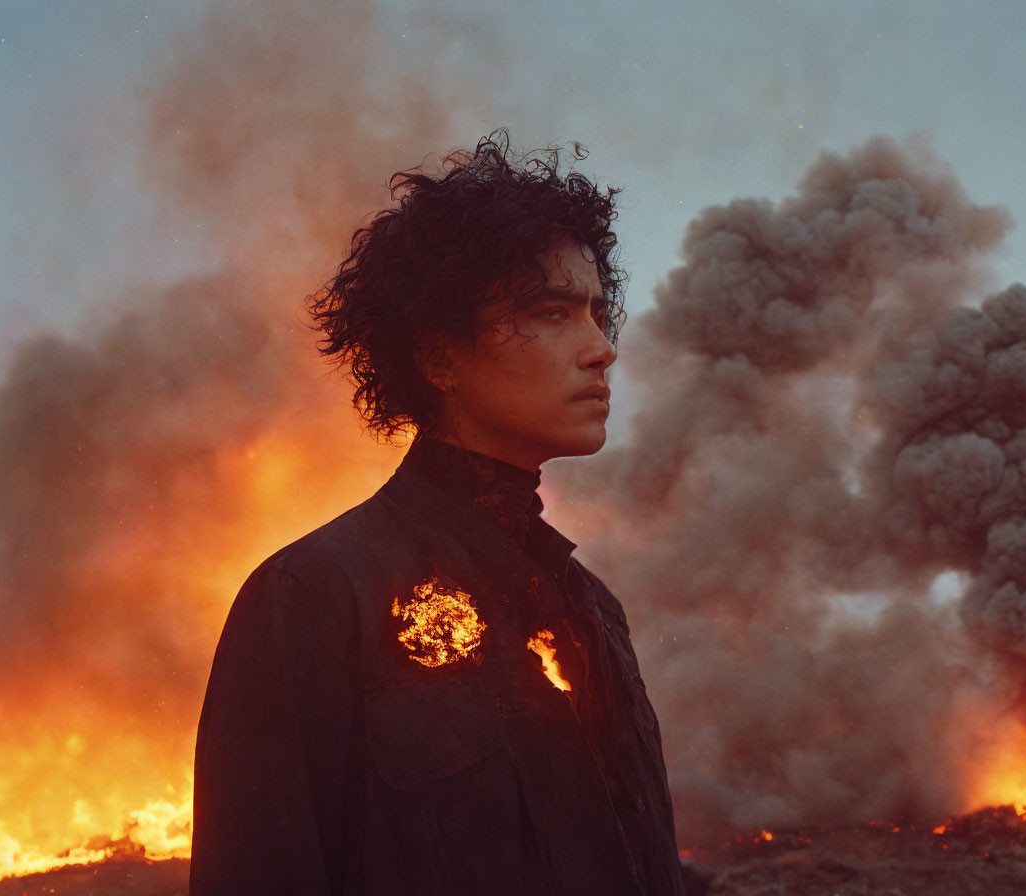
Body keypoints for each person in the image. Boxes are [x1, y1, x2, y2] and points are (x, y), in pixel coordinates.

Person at [189, 132, 687, 895]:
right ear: (438, 356)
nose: (601, 349)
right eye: (551, 313)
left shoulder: (598, 615)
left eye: (596, 312)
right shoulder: (312, 598)